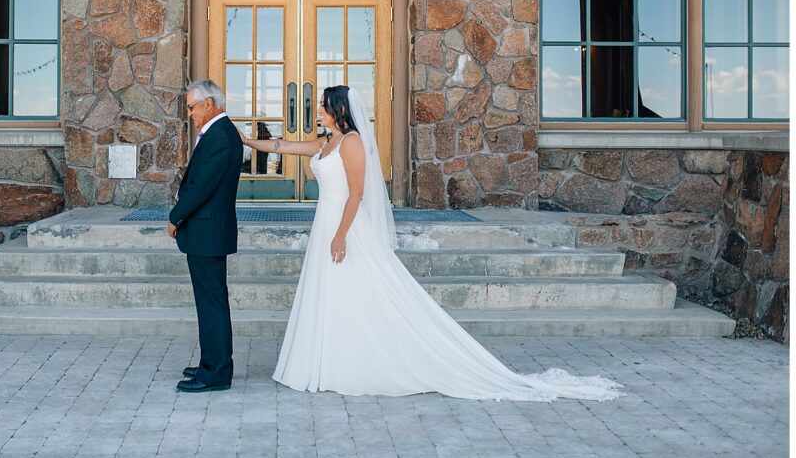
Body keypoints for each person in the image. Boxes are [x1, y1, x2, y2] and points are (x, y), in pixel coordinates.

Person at [240, 85, 623, 401]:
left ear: (339, 110)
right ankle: (330, 358)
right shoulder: (326, 144)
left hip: (346, 226)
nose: (319, 111)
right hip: (327, 223)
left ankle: (366, 358)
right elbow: (283, 148)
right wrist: (244, 140)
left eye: (323, 107)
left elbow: (356, 194)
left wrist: (340, 234)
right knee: (334, 293)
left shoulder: (352, 143)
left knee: (363, 289)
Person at [168, 80, 243, 393]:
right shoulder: (220, 133)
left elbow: (201, 186)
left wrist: (175, 216)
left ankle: (216, 372)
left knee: (212, 304)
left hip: (207, 230)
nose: (190, 113)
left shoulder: (220, 137)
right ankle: (212, 361)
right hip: (207, 230)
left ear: (209, 103)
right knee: (210, 302)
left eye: (192, 106)